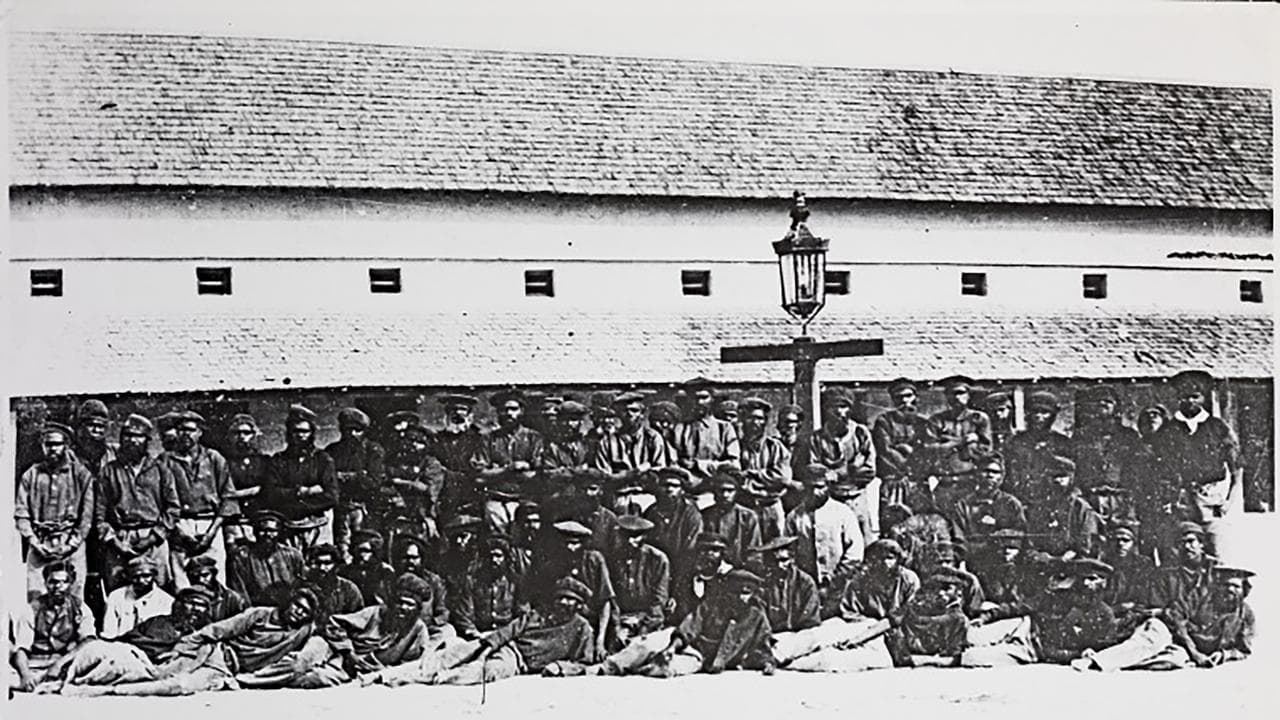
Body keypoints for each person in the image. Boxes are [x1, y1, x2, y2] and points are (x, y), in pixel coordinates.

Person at [73, 587, 324, 695]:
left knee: (179, 687)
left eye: (304, 612)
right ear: (289, 602)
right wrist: (184, 647)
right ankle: (90, 680)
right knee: (157, 674)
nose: (298, 613)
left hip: (226, 669)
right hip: (212, 652)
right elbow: (216, 630)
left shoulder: (304, 631)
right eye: (297, 606)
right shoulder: (259, 614)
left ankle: (107, 690)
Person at [367, 577, 597, 686]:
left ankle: (432, 679)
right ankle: (385, 675)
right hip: (508, 647)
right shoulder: (540, 613)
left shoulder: (582, 628)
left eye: (571, 600)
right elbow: (511, 630)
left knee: (486, 671)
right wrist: (488, 645)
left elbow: (584, 662)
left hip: (519, 662)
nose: (565, 603)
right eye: (562, 598)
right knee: (453, 654)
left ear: (579, 605)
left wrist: (560, 667)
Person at [1073, 566, 1254, 671]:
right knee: (1151, 642)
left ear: (1244, 591)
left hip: (1183, 649)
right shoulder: (1200, 596)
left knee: (1174, 661)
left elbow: (1243, 649)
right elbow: (1175, 616)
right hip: (1166, 629)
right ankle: (1093, 662)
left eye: (1236, 587)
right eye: (1226, 585)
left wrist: (1223, 655)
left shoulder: (1246, 615)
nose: (1230, 590)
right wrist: (1195, 652)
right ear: (1218, 586)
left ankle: (1104, 658)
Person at [49, 587, 215, 694]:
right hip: (127, 648)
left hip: (143, 663)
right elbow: (130, 636)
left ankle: (73, 680)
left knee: (114, 662)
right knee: (95, 648)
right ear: (179, 605)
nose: (195, 610)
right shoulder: (160, 620)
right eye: (190, 604)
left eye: (200, 607)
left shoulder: (201, 638)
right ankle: (63, 672)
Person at [785, 539, 914, 672]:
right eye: (878, 559)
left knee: (831, 659)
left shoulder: (908, 580)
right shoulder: (863, 578)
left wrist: (862, 636)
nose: (885, 563)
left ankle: (791, 664)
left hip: (888, 636)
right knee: (821, 633)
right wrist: (861, 627)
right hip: (860, 624)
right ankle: (779, 653)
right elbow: (849, 610)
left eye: (890, 558)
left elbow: (903, 617)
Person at [1150, 370, 1241, 558]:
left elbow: (1236, 467)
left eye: (1195, 397)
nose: (1190, 402)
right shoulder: (1167, 431)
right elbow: (1156, 469)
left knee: (1217, 552)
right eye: (1184, 397)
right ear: (1178, 398)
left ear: (1203, 398)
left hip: (1210, 501)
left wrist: (1229, 500)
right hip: (1178, 503)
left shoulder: (1218, 427)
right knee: (1179, 553)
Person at [293, 574, 438, 688]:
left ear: (418, 609)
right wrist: (349, 653)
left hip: (354, 670)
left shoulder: (418, 630)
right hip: (335, 649)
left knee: (315, 678)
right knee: (299, 664)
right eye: (400, 602)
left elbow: (409, 665)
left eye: (409, 604)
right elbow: (334, 623)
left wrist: (379, 671)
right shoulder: (376, 613)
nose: (403, 607)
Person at [95, 414, 180, 591]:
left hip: (153, 539)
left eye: (138, 436)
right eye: (127, 435)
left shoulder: (160, 470)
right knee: (118, 590)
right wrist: (116, 543)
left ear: (147, 440)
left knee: (159, 589)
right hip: (120, 540)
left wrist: (152, 538)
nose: (132, 441)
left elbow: (172, 509)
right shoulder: (109, 472)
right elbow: (99, 515)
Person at [643, 569, 775, 677]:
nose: (741, 597)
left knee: (671, 668)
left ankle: (653, 667)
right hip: (692, 647)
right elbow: (689, 628)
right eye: (736, 592)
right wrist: (672, 648)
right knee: (645, 647)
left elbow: (762, 646)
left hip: (701, 659)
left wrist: (767, 663)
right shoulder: (711, 605)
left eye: (746, 593)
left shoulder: (756, 616)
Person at [16, 421, 96, 600]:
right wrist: (34, 542)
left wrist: (72, 544)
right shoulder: (31, 474)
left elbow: (87, 515)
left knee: (74, 598)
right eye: (48, 444)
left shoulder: (81, 475)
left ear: (66, 446)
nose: (52, 449)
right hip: (40, 544)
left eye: (57, 444)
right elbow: (21, 513)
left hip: (70, 543)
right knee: (36, 598)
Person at [161, 410, 237, 589]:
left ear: (200, 432)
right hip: (179, 525)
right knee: (182, 582)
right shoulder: (166, 460)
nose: (185, 434)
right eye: (181, 430)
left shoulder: (214, 458)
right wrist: (178, 531)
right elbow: (159, 499)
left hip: (209, 523)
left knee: (215, 579)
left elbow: (228, 498)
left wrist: (211, 533)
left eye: (190, 430)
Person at [784, 464, 863, 616]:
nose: (815, 492)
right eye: (810, 487)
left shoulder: (843, 513)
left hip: (840, 587)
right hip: (805, 588)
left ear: (828, 487)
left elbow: (854, 553)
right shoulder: (794, 517)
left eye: (820, 487)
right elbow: (789, 553)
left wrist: (834, 581)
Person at [794, 388, 878, 531]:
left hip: (856, 499)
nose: (840, 412)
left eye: (844, 406)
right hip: (830, 500)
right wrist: (852, 467)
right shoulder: (817, 438)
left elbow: (869, 471)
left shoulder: (860, 433)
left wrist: (837, 474)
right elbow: (816, 473)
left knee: (862, 544)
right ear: (826, 410)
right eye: (834, 407)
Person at [10, 563, 97, 692]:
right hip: (36, 663)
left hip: (67, 662)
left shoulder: (80, 607)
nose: (58, 587)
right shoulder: (32, 609)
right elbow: (21, 648)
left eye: (64, 582)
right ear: (45, 583)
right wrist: (25, 674)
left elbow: (88, 640)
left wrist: (59, 664)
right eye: (53, 582)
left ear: (71, 584)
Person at [261, 405, 339, 549]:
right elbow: (271, 493)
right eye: (295, 431)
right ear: (289, 433)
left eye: (305, 431)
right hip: (287, 526)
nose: (300, 436)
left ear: (312, 433)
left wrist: (301, 506)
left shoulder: (323, 459)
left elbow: (331, 496)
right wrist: (303, 492)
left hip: (317, 526)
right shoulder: (278, 460)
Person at [1071, 385, 1147, 521]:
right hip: (1090, 496)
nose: (1102, 403)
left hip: (1120, 496)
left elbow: (1137, 467)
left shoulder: (1129, 436)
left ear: (1116, 407)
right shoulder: (1082, 435)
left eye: (1108, 401)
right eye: (1098, 401)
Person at [872, 379, 945, 513]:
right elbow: (885, 450)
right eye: (899, 398)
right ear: (893, 400)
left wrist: (905, 449)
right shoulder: (884, 421)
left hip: (918, 483)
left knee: (922, 523)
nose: (905, 401)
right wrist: (909, 462)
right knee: (894, 524)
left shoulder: (923, 424)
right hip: (894, 482)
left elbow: (928, 451)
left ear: (916, 398)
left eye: (908, 396)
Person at [950, 453, 1027, 581]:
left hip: (1003, 563)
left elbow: (1020, 532)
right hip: (973, 562)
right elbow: (959, 539)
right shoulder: (964, 504)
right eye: (985, 471)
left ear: (1002, 476)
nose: (990, 475)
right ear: (977, 474)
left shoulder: (1010, 503)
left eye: (995, 472)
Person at [473, 389, 545, 523]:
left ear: (521, 411)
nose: (508, 414)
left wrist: (496, 472)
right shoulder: (488, 439)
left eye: (513, 409)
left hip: (524, 497)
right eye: (503, 410)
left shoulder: (534, 438)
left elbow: (537, 473)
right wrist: (510, 469)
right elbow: (480, 473)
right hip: (495, 497)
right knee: (496, 523)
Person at [324, 407, 387, 560]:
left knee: (364, 547)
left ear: (364, 430)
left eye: (357, 430)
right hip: (340, 507)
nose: (352, 434)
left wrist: (344, 476)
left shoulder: (373, 450)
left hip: (364, 508)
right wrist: (359, 476)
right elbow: (327, 479)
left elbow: (374, 481)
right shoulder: (333, 450)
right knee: (341, 547)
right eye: (348, 429)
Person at [590, 392, 672, 499]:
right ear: (618, 414)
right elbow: (605, 478)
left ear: (642, 414)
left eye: (634, 410)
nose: (629, 414)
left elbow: (659, 474)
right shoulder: (607, 442)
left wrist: (620, 476)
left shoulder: (653, 438)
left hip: (647, 496)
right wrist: (637, 472)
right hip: (617, 496)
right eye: (625, 410)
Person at [738, 397, 796, 541]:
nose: (755, 423)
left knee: (776, 548)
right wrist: (765, 478)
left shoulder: (775, 447)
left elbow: (782, 477)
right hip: (745, 506)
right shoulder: (735, 447)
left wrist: (749, 475)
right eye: (750, 418)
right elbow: (735, 477)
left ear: (765, 422)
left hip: (771, 507)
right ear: (743, 420)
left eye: (759, 418)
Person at [1002, 391, 1074, 506]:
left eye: (1045, 412)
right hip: (1021, 501)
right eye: (1035, 411)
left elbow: (1071, 476)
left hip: (1054, 502)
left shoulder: (1063, 443)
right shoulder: (1015, 442)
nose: (1038, 416)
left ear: (1053, 415)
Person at [671, 378, 741, 494]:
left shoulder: (725, 429)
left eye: (704, 398)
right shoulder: (679, 429)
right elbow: (673, 463)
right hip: (686, 489)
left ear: (712, 400)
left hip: (718, 491)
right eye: (695, 398)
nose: (699, 402)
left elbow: (733, 464)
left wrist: (698, 465)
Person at [608, 515, 670, 644]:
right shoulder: (613, 558)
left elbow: (658, 602)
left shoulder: (657, 559)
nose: (630, 541)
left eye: (636, 536)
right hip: (620, 619)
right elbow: (611, 598)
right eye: (626, 536)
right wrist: (618, 626)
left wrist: (644, 629)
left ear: (645, 536)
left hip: (647, 620)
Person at [226, 510, 306, 607]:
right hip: (256, 611)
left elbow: (301, 586)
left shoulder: (293, 555)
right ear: (255, 532)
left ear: (280, 532)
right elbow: (239, 593)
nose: (267, 535)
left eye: (273, 531)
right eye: (262, 530)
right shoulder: (241, 557)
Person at [1027, 456, 1100, 560]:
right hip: (1042, 563)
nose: (1057, 480)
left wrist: (1067, 556)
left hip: (1074, 564)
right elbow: (1031, 539)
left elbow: (1086, 543)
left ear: (1071, 478)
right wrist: (1038, 555)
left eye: (1062, 476)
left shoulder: (1081, 507)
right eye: (1053, 476)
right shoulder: (1040, 507)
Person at [451, 536, 521, 640]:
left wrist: (504, 635)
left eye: (498, 556)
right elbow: (463, 616)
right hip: (479, 637)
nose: (493, 560)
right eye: (490, 556)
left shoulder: (514, 583)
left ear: (506, 559)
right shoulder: (473, 582)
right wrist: (476, 634)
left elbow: (522, 617)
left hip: (507, 637)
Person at [643, 466, 704, 580]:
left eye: (675, 486)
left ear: (682, 490)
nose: (669, 489)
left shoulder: (691, 514)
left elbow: (691, 549)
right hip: (655, 570)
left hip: (681, 571)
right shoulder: (651, 512)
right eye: (665, 485)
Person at [928, 376, 993, 480]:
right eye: (952, 394)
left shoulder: (979, 418)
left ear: (968, 395)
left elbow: (986, 449)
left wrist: (947, 442)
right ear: (947, 397)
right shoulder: (937, 420)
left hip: (973, 474)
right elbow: (930, 448)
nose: (957, 397)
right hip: (945, 475)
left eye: (961, 393)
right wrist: (961, 442)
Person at [222, 413, 269, 550]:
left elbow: (268, 487)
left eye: (246, 433)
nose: (242, 437)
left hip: (257, 515)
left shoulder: (264, 461)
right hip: (233, 517)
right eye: (237, 433)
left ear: (254, 435)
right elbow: (224, 490)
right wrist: (253, 490)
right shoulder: (224, 461)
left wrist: (236, 493)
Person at [668, 533, 734, 626]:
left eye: (715, 551)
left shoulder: (730, 578)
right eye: (704, 550)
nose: (709, 554)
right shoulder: (688, 577)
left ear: (723, 554)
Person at [700, 468, 762, 566]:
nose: (725, 495)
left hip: (740, 570)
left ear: (736, 492)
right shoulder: (705, 515)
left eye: (730, 491)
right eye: (721, 490)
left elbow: (754, 553)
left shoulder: (748, 517)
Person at [1150, 522, 1216, 612]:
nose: (1187, 546)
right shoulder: (1168, 575)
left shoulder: (1214, 569)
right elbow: (1158, 605)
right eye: (1181, 543)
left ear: (1201, 543)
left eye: (1191, 541)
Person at [103, 557, 174, 639]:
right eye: (136, 577)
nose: (141, 580)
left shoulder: (166, 601)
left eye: (146, 576)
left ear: (154, 575)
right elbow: (109, 632)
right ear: (129, 576)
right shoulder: (116, 597)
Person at [389, 534, 451, 629]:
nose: (410, 561)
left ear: (421, 559)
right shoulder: (390, 580)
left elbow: (443, 612)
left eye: (414, 558)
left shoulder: (433, 581)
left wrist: (432, 623)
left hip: (427, 629)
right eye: (405, 557)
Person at [303, 544, 366, 622]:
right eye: (317, 563)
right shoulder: (302, 587)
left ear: (336, 565)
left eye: (327, 563)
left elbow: (358, 618)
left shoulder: (348, 589)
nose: (322, 568)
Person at [340, 529, 397, 607]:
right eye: (358, 550)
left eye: (365, 551)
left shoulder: (385, 571)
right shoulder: (344, 571)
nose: (361, 555)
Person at [184, 555, 248, 622]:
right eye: (194, 577)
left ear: (214, 574)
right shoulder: (184, 600)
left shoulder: (233, 599)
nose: (200, 580)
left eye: (205, 575)